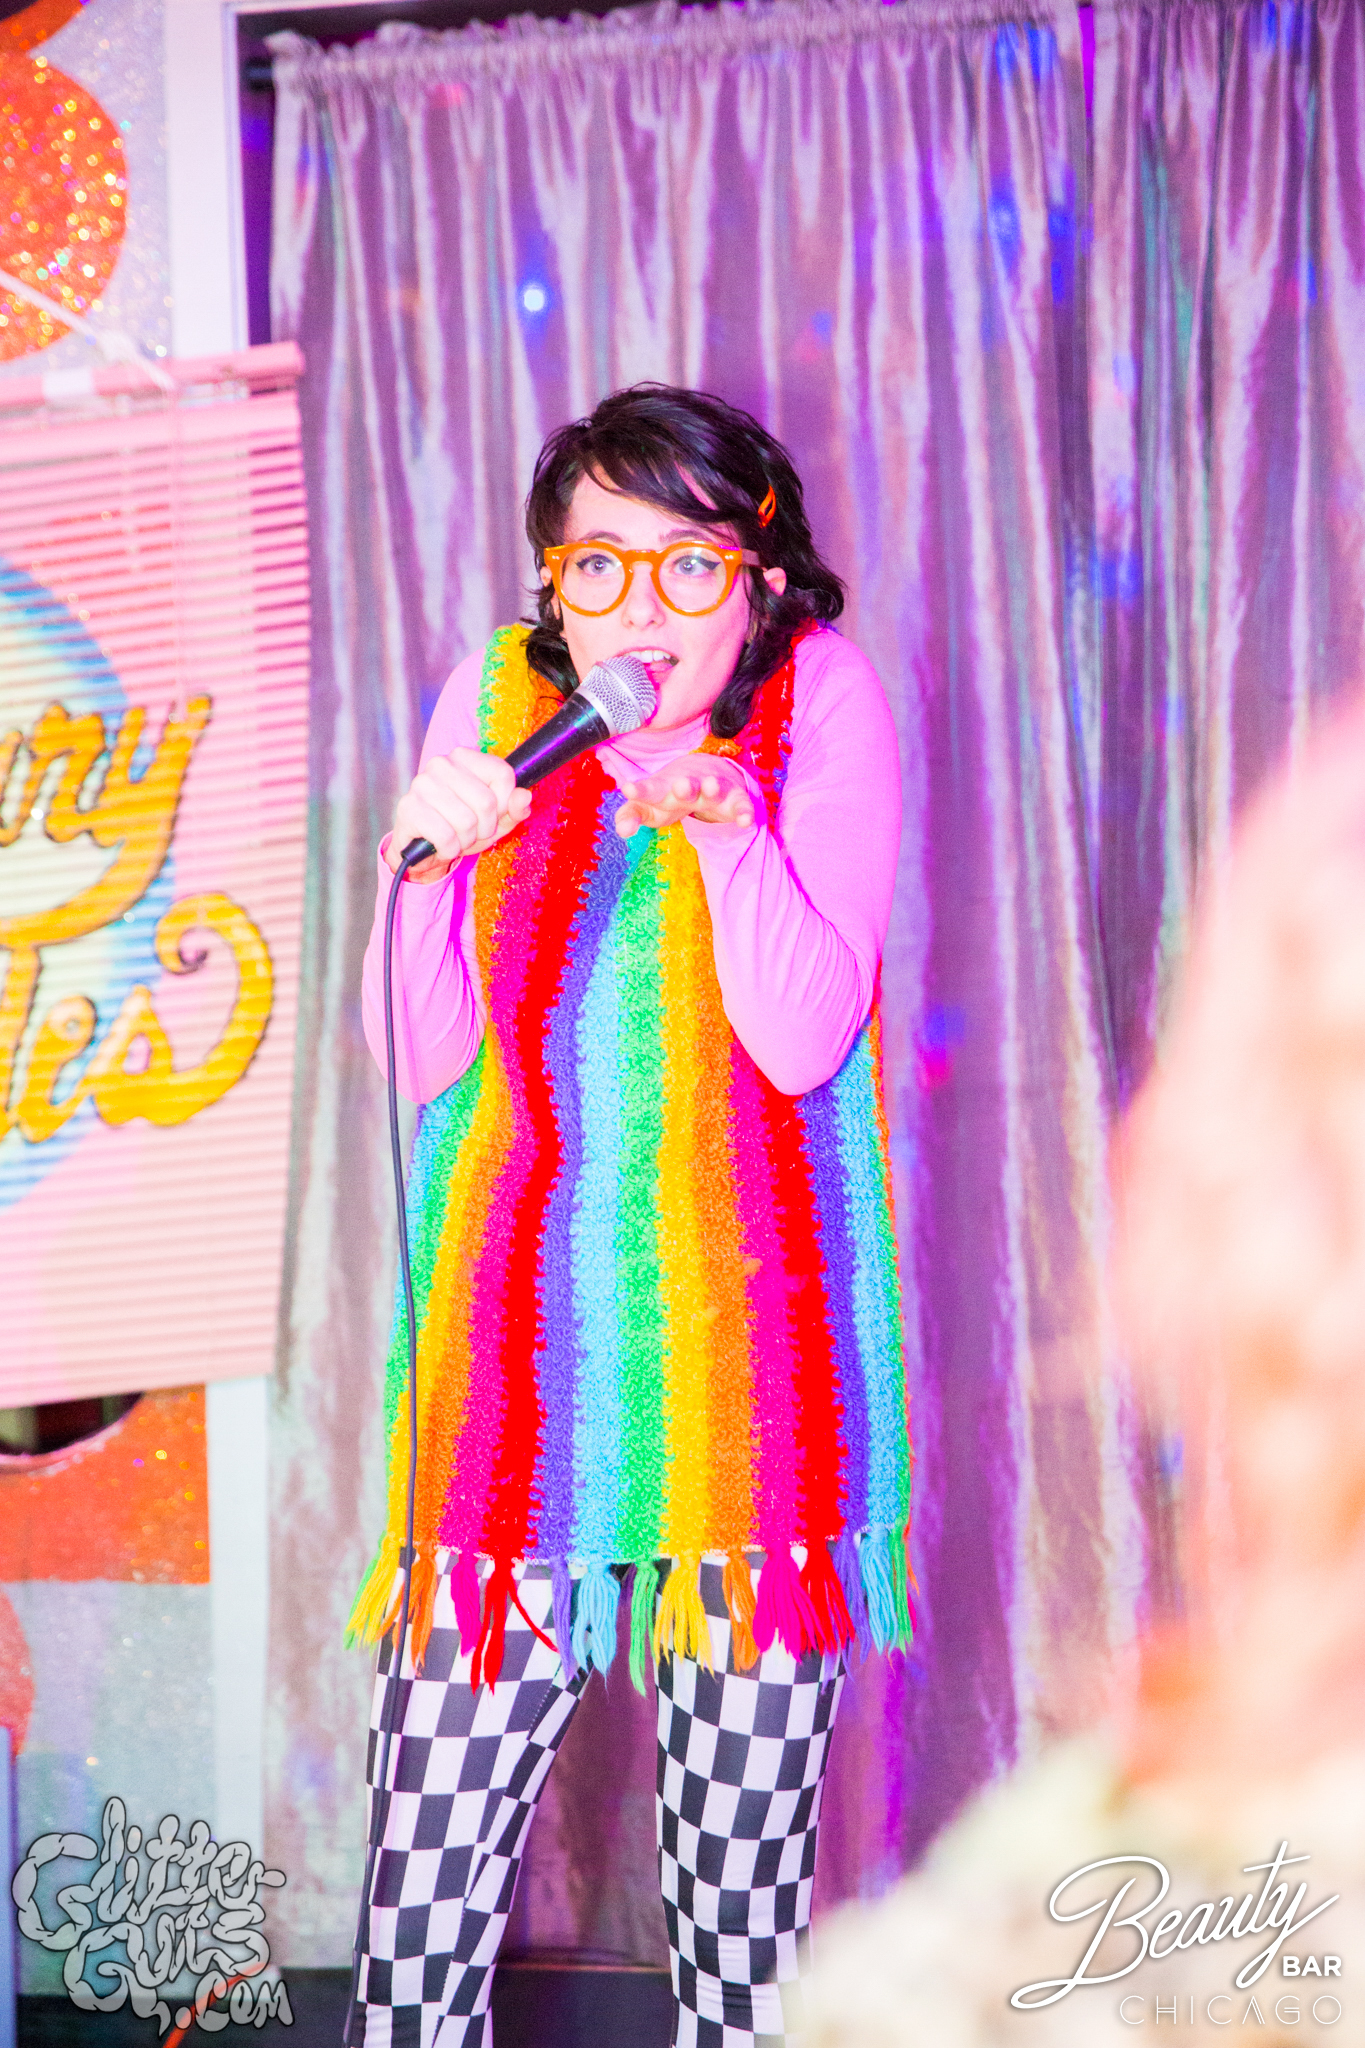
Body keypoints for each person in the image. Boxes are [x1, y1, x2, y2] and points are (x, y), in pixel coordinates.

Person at [350, 383, 913, 2048]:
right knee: (417, 1912)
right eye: (596, 565)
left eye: (687, 564)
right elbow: (413, 1054)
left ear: (760, 578)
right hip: (513, 1358)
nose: (638, 607)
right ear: (554, 585)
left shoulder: (820, 697)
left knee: (740, 1932)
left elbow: (801, 1039)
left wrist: (728, 833)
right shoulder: (502, 702)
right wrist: (426, 869)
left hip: (756, 1369)